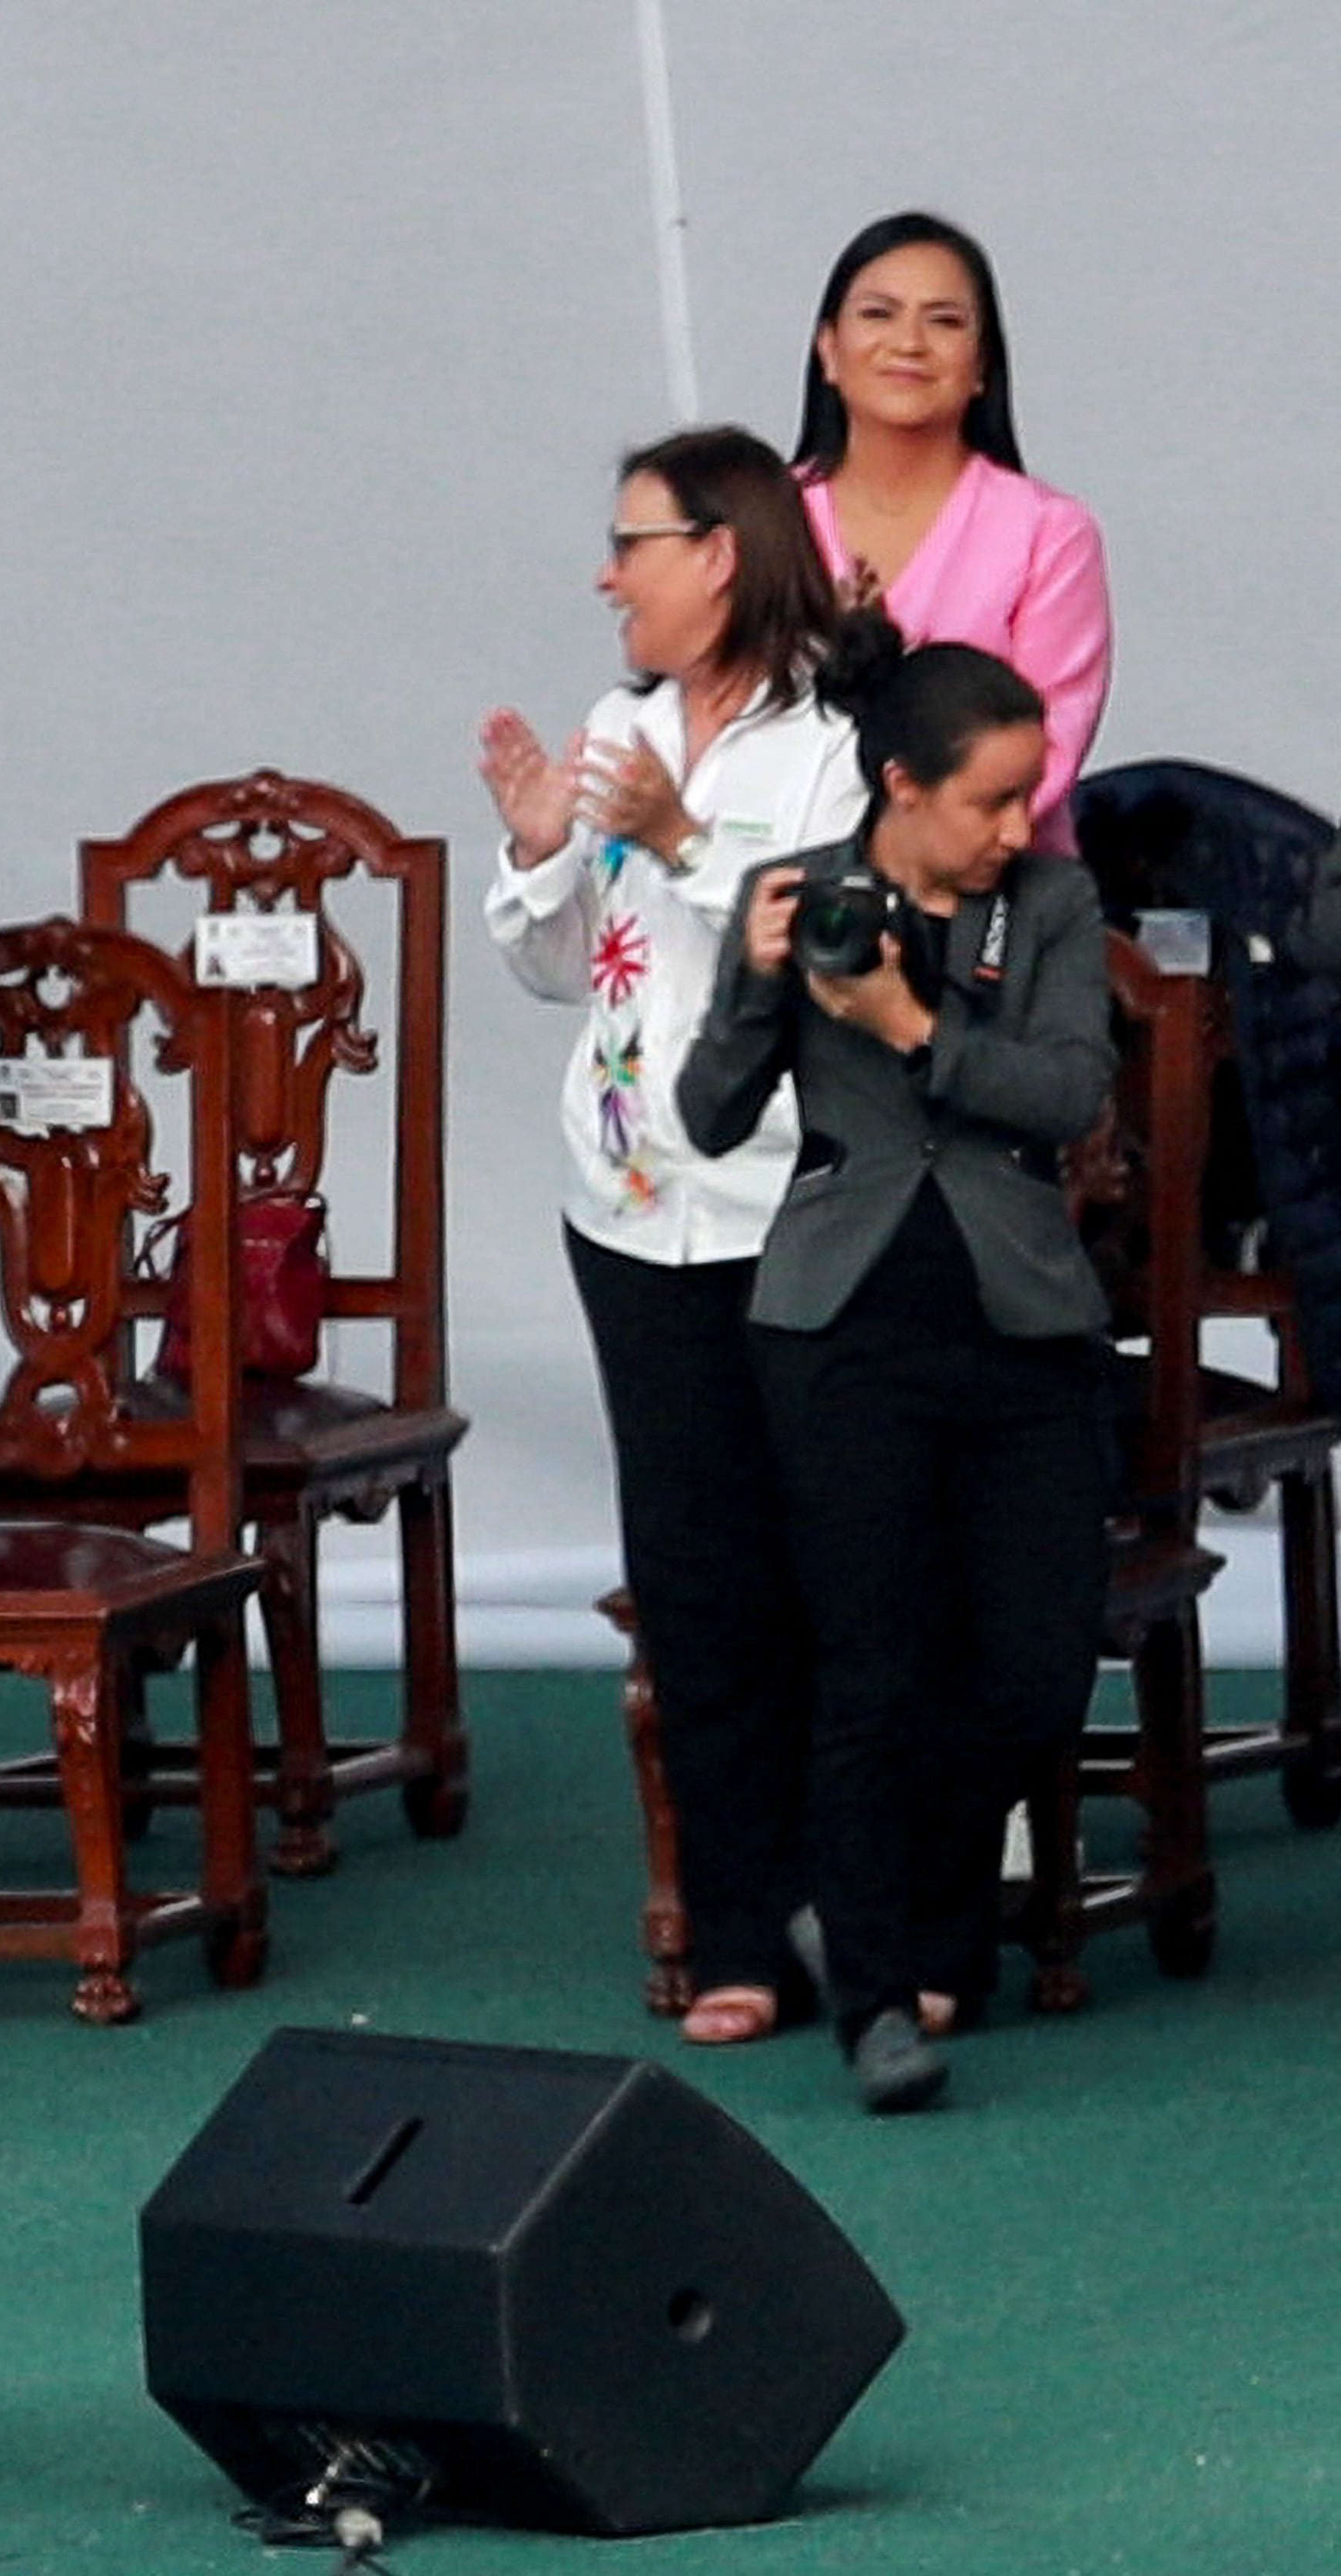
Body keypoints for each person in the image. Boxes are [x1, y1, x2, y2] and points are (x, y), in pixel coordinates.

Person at [679, 634, 1110, 2115]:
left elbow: (1066, 1091)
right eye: (990, 800)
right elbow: (710, 1112)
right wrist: (751, 985)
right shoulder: (797, 892)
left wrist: (917, 1027)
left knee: (1039, 1670)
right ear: (900, 784)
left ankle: (882, 1911)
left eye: (1027, 798)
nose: (1014, 828)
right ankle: (877, 1995)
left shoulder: (1050, 903)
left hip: (1025, 1321)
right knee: (874, 1662)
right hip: (839, 1325)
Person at [478, 426, 865, 2048]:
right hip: (630, 1206)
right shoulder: (625, 723)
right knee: (695, 1580)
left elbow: (838, 950)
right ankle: (731, 1935)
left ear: (721, 550)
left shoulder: (837, 739)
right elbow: (566, 965)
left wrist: (689, 840)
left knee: (831, 1573)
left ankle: (862, 1910)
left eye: (630, 541)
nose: (604, 574)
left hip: (794, 1203)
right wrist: (537, 843)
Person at [793, 211, 1110, 850]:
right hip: (781, 880)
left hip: (993, 897)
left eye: (944, 321)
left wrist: (908, 846)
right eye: (878, 315)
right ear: (828, 350)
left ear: (983, 366)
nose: (908, 342)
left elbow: (1047, 753)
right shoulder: (766, 517)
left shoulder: (1049, 532)